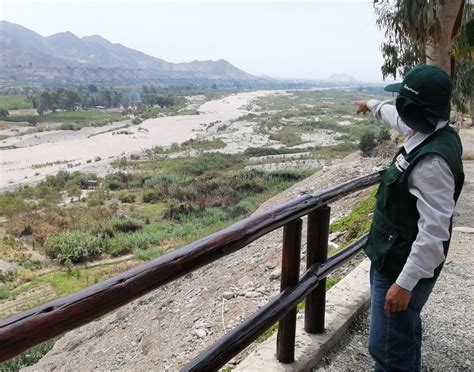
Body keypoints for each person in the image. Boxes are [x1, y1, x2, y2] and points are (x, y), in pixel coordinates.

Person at [354, 64, 464, 371]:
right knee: (401, 337)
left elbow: (434, 231)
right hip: (393, 256)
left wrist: (405, 283)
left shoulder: (431, 162)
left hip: (400, 266)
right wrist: (373, 106)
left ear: (416, 108)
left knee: (388, 349)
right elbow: (398, 118)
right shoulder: (433, 131)